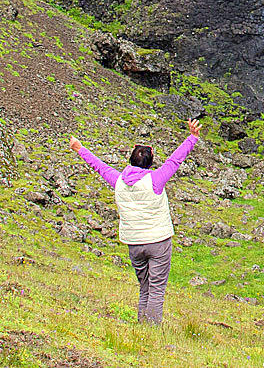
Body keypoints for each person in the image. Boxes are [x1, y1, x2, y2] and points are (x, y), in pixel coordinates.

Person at [68, 118, 201, 325]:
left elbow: (99, 165)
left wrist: (79, 148)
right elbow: (175, 160)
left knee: (145, 287)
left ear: (130, 161)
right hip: (158, 241)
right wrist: (192, 137)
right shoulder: (156, 179)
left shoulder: (118, 180)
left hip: (134, 244)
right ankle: (151, 331)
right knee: (157, 288)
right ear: (150, 163)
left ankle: (142, 327)